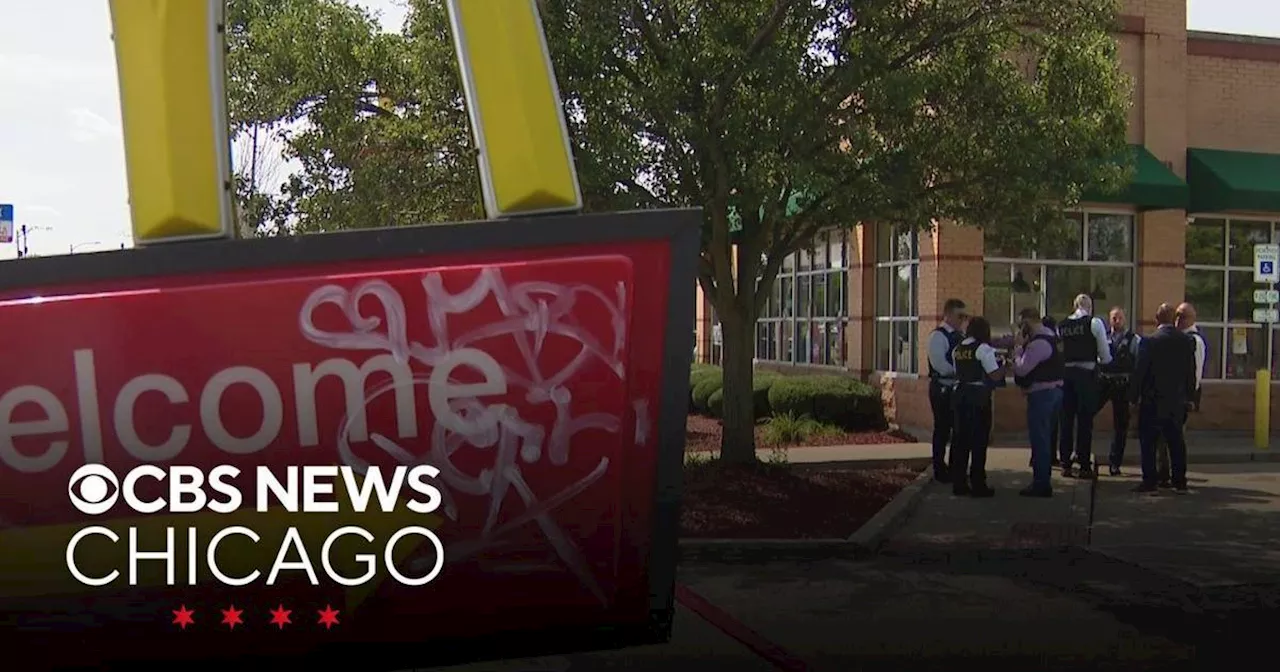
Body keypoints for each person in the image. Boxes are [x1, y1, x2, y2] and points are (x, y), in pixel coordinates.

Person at [1130, 303, 1196, 493]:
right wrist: (1190, 397)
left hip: (1152, 400)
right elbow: (1190, 372)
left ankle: (1150, 481)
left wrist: (1133, 397)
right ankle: (1179, 481)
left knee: (1149, 442)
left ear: (1157, 319)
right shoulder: (1186, 341)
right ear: (1173, 319)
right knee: (1176, 441)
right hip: (1176, 401)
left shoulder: (1149, 342)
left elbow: (1140, 372)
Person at [1055, 294, 1112, 479]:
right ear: (1089, 306)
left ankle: (1065, 463)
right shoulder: (1094, 323)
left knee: (1066, 420)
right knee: (1085, 421)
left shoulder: (1061, 325)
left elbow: (1058, 352)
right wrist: (1104, 361)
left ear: (1074, 305)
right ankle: (1084, 464)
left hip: (1066, 376)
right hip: (1086, 376)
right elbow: (1105, 354)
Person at [949, 316, 1005, 498]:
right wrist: (1004, 365)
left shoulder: (958, 349)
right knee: (979, 442)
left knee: (960, 441)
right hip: (978, 398)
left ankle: (959, 483)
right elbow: (994, 375)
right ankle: (978, 484)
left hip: (959, 396)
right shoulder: (983, 349)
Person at [1012, 307, 1065, 498]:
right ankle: (1042, 481)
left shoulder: (1039, 343)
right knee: (1045, 439)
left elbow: (1022, 369)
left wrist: (1018, 348)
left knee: (1040, 441)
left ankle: (1041, 484)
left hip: (1042, 395)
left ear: (1027, 321)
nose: (1019, 328)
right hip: (1054, 392)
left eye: (1020, 323)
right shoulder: (1052, 336)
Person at [1154, 302, 1207, 487]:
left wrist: (1190, 398)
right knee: (1165, 438)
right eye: (1176, 315)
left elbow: (1196, 373)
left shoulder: (1194, 340)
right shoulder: (1177, 338)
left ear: (1192, 318)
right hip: (1171, 396)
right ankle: (1165, 473)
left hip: (1182, 398)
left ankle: (1175, 475)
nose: (1178, 320)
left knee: (1175, 438)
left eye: (1182, 316)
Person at [927, 298, 968, 483]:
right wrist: (961, 371)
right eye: (960, 316)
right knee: (942, 429)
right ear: (949, 314)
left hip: (957, 388)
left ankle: (955, 468)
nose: (963, 320)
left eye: (965, 316)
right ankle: (939, 468)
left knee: (959, 431)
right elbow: (940, 365)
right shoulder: (938, 336)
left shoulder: (961, 336)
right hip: (942, 388)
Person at [1101, 307, 1141, 476]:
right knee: (1085, 413)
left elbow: (1138, 364)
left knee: (1121, 426)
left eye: (1119, 318)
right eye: (1113, 318)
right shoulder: (1103, 337)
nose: (1116, 321)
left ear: (1125, 320)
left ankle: (1115, 462)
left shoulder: (1134, 339)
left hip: (1123, 385)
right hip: (1104, 382)